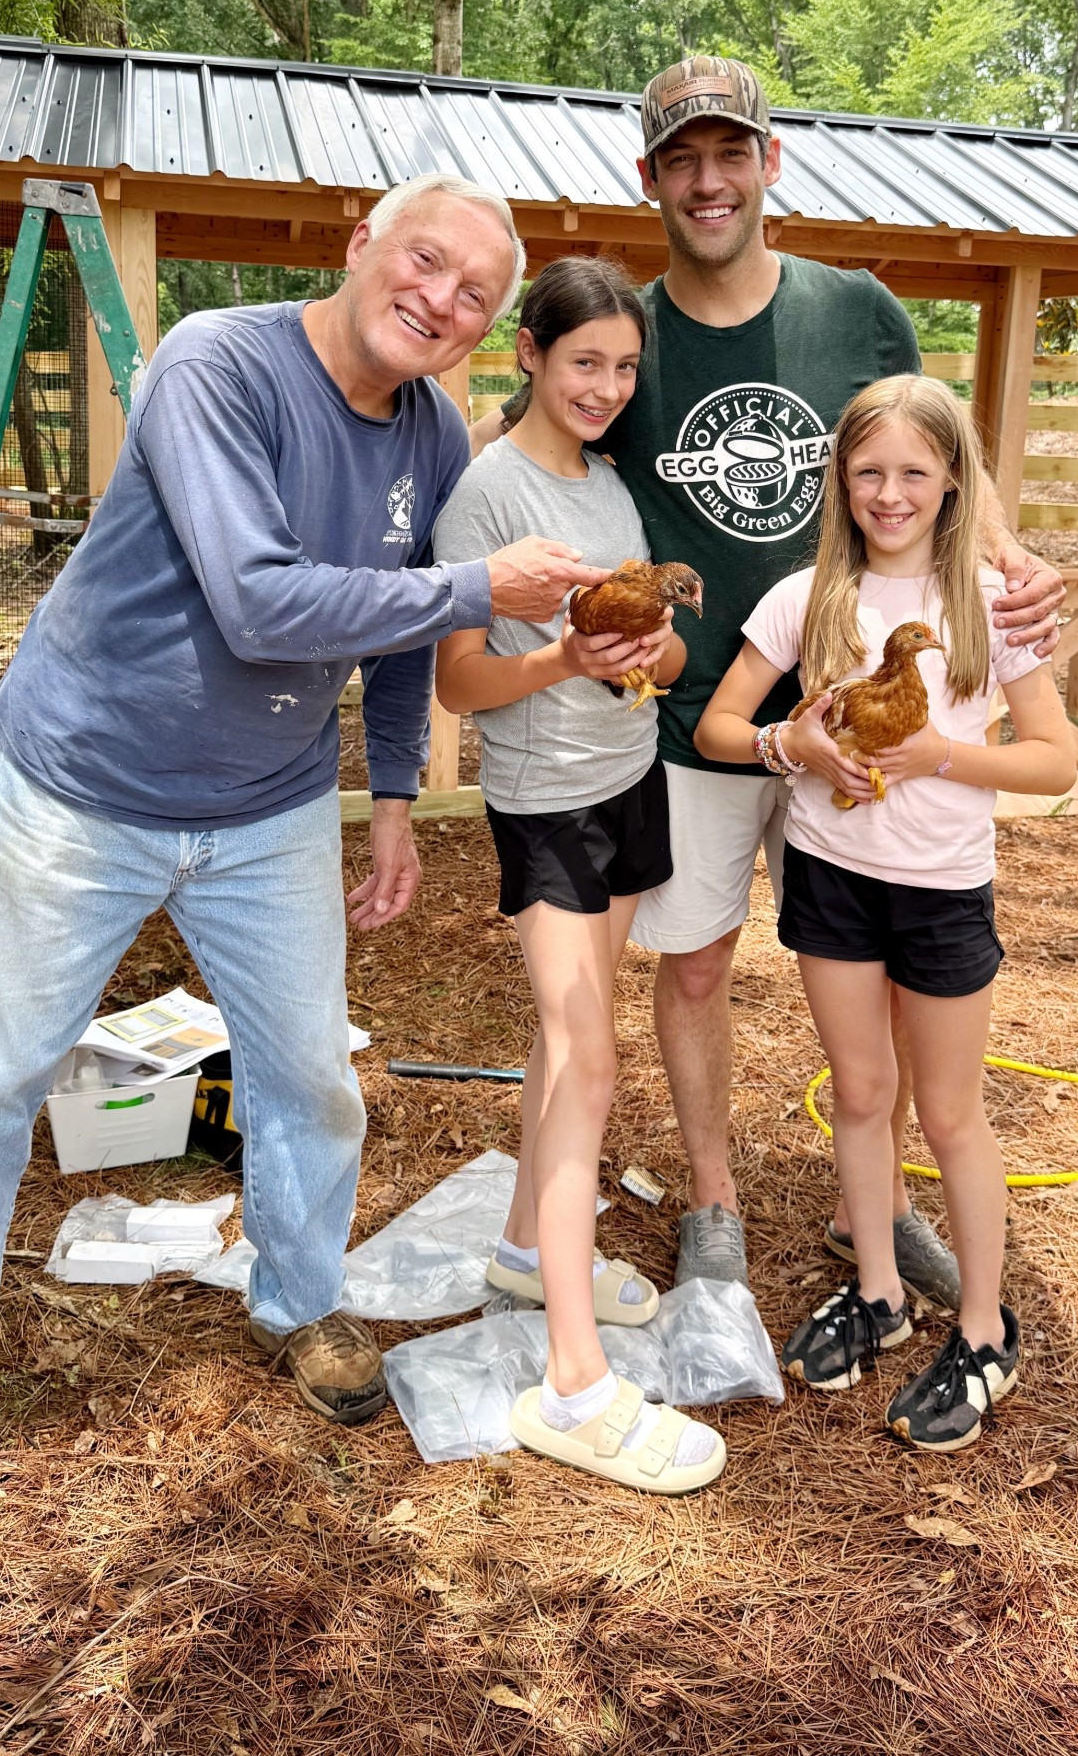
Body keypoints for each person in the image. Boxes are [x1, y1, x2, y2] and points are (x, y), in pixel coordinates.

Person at [0, 173, 611, 1504]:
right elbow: (258, 601)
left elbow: (403, 625)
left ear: (489, 331)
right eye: (424, 263)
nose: (439, 300)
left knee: (310, 1078)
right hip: (86, 781)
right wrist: (487, 585)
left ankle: (301, 1297)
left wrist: (391, 797)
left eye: (475, 296)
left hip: (269, 804)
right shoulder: (217, 365)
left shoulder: (429, 432)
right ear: (362, 245)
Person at [474, 54, 1065, 1304]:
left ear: (768, 164)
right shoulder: (626, 332)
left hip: (853, 719)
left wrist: (1008, 559)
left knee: (880, 973)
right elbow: (533, 429)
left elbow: (947, 449)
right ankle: (711, 1197)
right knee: (693, 964)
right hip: (697, 717)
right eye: (681, 159)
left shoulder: (856, 310)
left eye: (728, 153)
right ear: (650, 180)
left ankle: (883, 1208)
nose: (707, 180)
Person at [695, 375, 1076, 1448]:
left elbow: (1056, 759)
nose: (891, 492)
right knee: (862, 1092)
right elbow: (724, 725)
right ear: (841, 480)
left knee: (949, 1111)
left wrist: (939, 755)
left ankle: (986, 1324)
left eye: (915, 471)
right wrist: (791, 743)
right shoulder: (803, 596)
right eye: (869, 472)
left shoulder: (990, 611)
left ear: (955, 478)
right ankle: (877, 1289)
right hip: (830, 878)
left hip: (944, 891)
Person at [432, 258, 723, 1493]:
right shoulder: (484, 495)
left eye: (622, 365)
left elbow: (645, 642)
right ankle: (573, 1382)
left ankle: (518, 1249)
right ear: (532, 358)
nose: (605, 385)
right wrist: (557, 660)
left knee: (566, 1053)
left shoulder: (608, 484)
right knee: (589, 1052)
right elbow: (459, 683)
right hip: (546, 803)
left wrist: (656, 648)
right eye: (583, 361)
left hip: (627, 780)